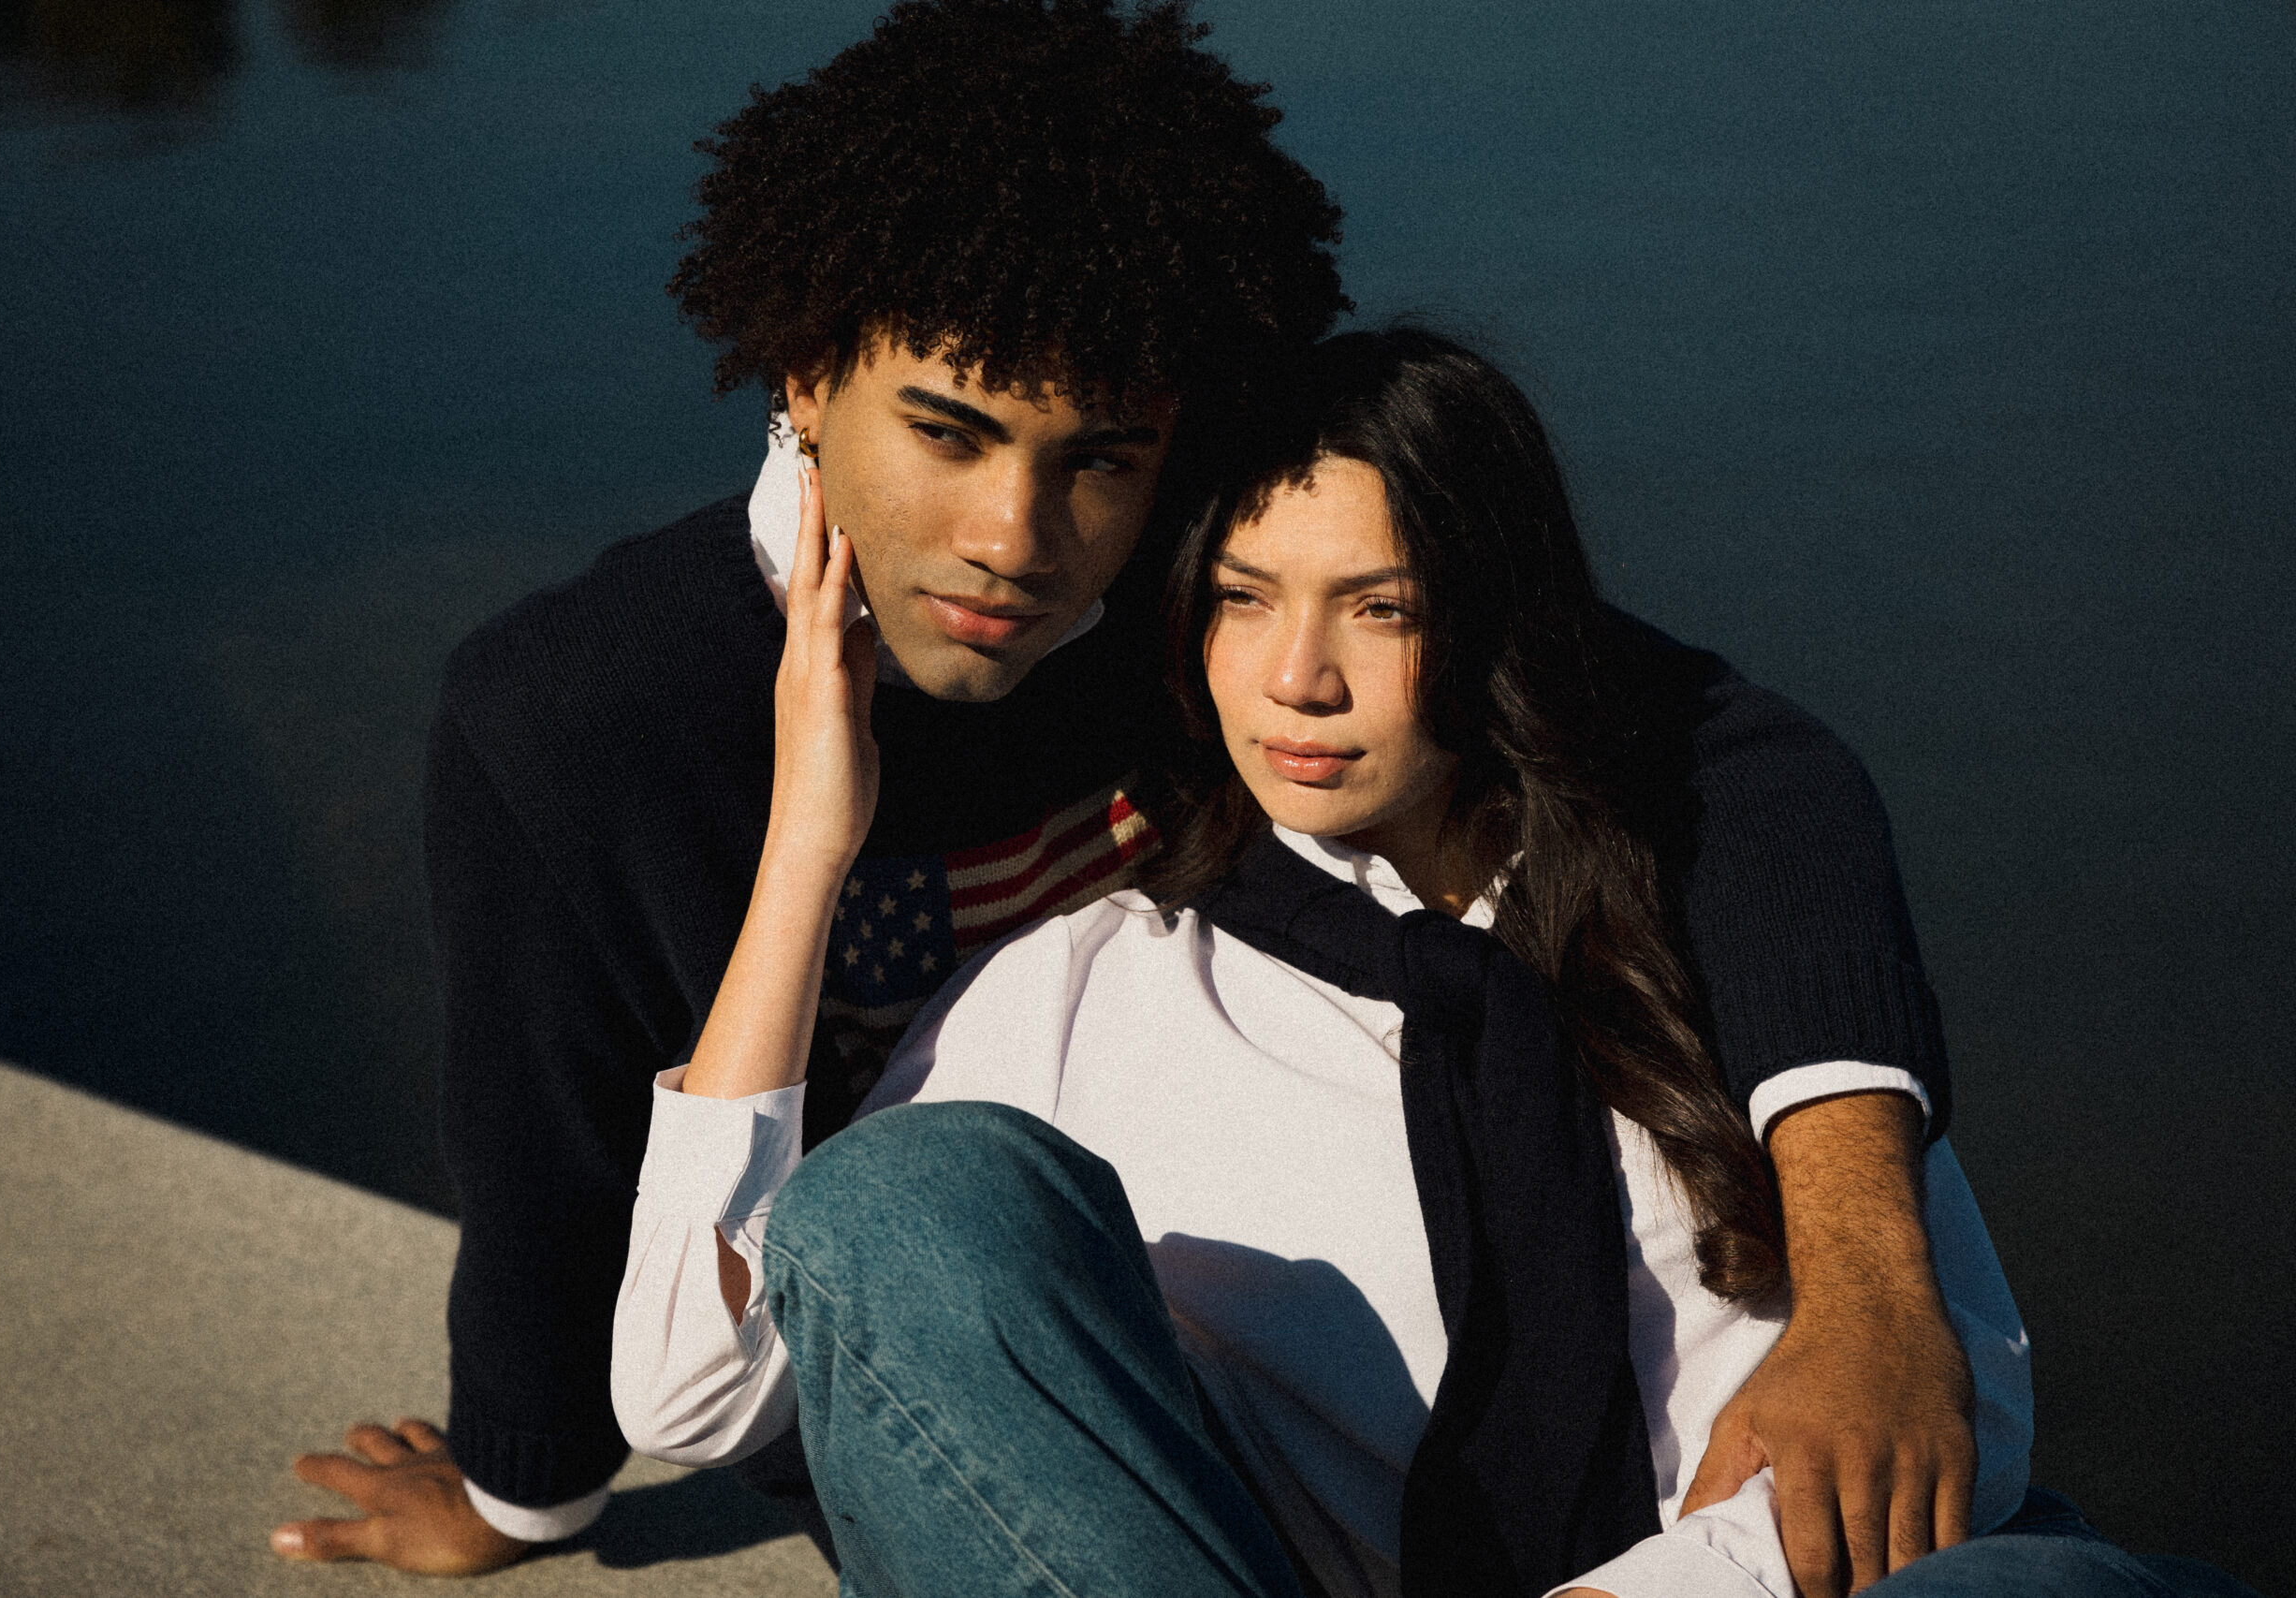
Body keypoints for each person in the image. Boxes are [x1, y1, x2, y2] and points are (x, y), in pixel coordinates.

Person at [276, 4, 1980, 1588]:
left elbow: (1731, 757)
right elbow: (541, 1137)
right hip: (924, 1381)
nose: (1019, 543)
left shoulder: (1203, 582)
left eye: (1097, 458)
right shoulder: (578, 716)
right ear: (800, 373)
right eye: (946, 431)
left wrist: (1873, 1286)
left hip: (1313, 1360)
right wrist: (522, 1485)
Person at [610, 328, 2252, 1598]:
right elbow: (690, 1392)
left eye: (1376, 608)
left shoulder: (1728, 924)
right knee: (902, 1195)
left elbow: (1959, 1393)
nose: (1298, 679)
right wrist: (808, 842)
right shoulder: (1092, 989)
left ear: (1486, 624)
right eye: (1246, 600)